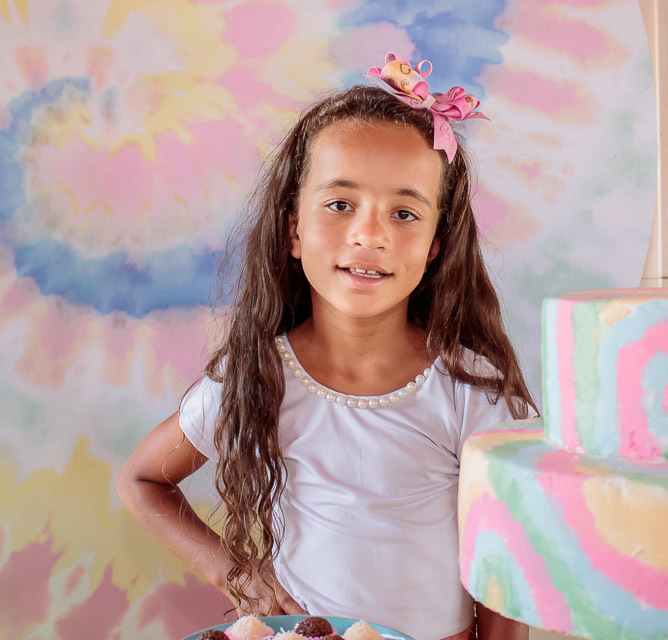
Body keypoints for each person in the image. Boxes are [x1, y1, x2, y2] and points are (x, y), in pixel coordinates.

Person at [116, 54, 536, 640]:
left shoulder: (474, 391)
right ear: (293, 229)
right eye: (340, 205)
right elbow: (142, 481)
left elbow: (509, 555)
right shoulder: (256, 375)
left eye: (404, 213)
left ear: (436, 245)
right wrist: (240, 576)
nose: (370, 234)